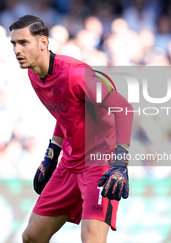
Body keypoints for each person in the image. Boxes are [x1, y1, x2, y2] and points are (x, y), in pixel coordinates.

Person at [9, 15, 133, 243]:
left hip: (100, 165)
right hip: (70, 164)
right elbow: (66, 113)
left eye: (23, 42)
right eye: (14, 44)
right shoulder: (34, 75)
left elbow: (123, 108)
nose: (17, 50)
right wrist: (51, 154)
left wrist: (120, 163)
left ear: (43, 43)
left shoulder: (76, 75)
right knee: (32, 237)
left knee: (91, 239)